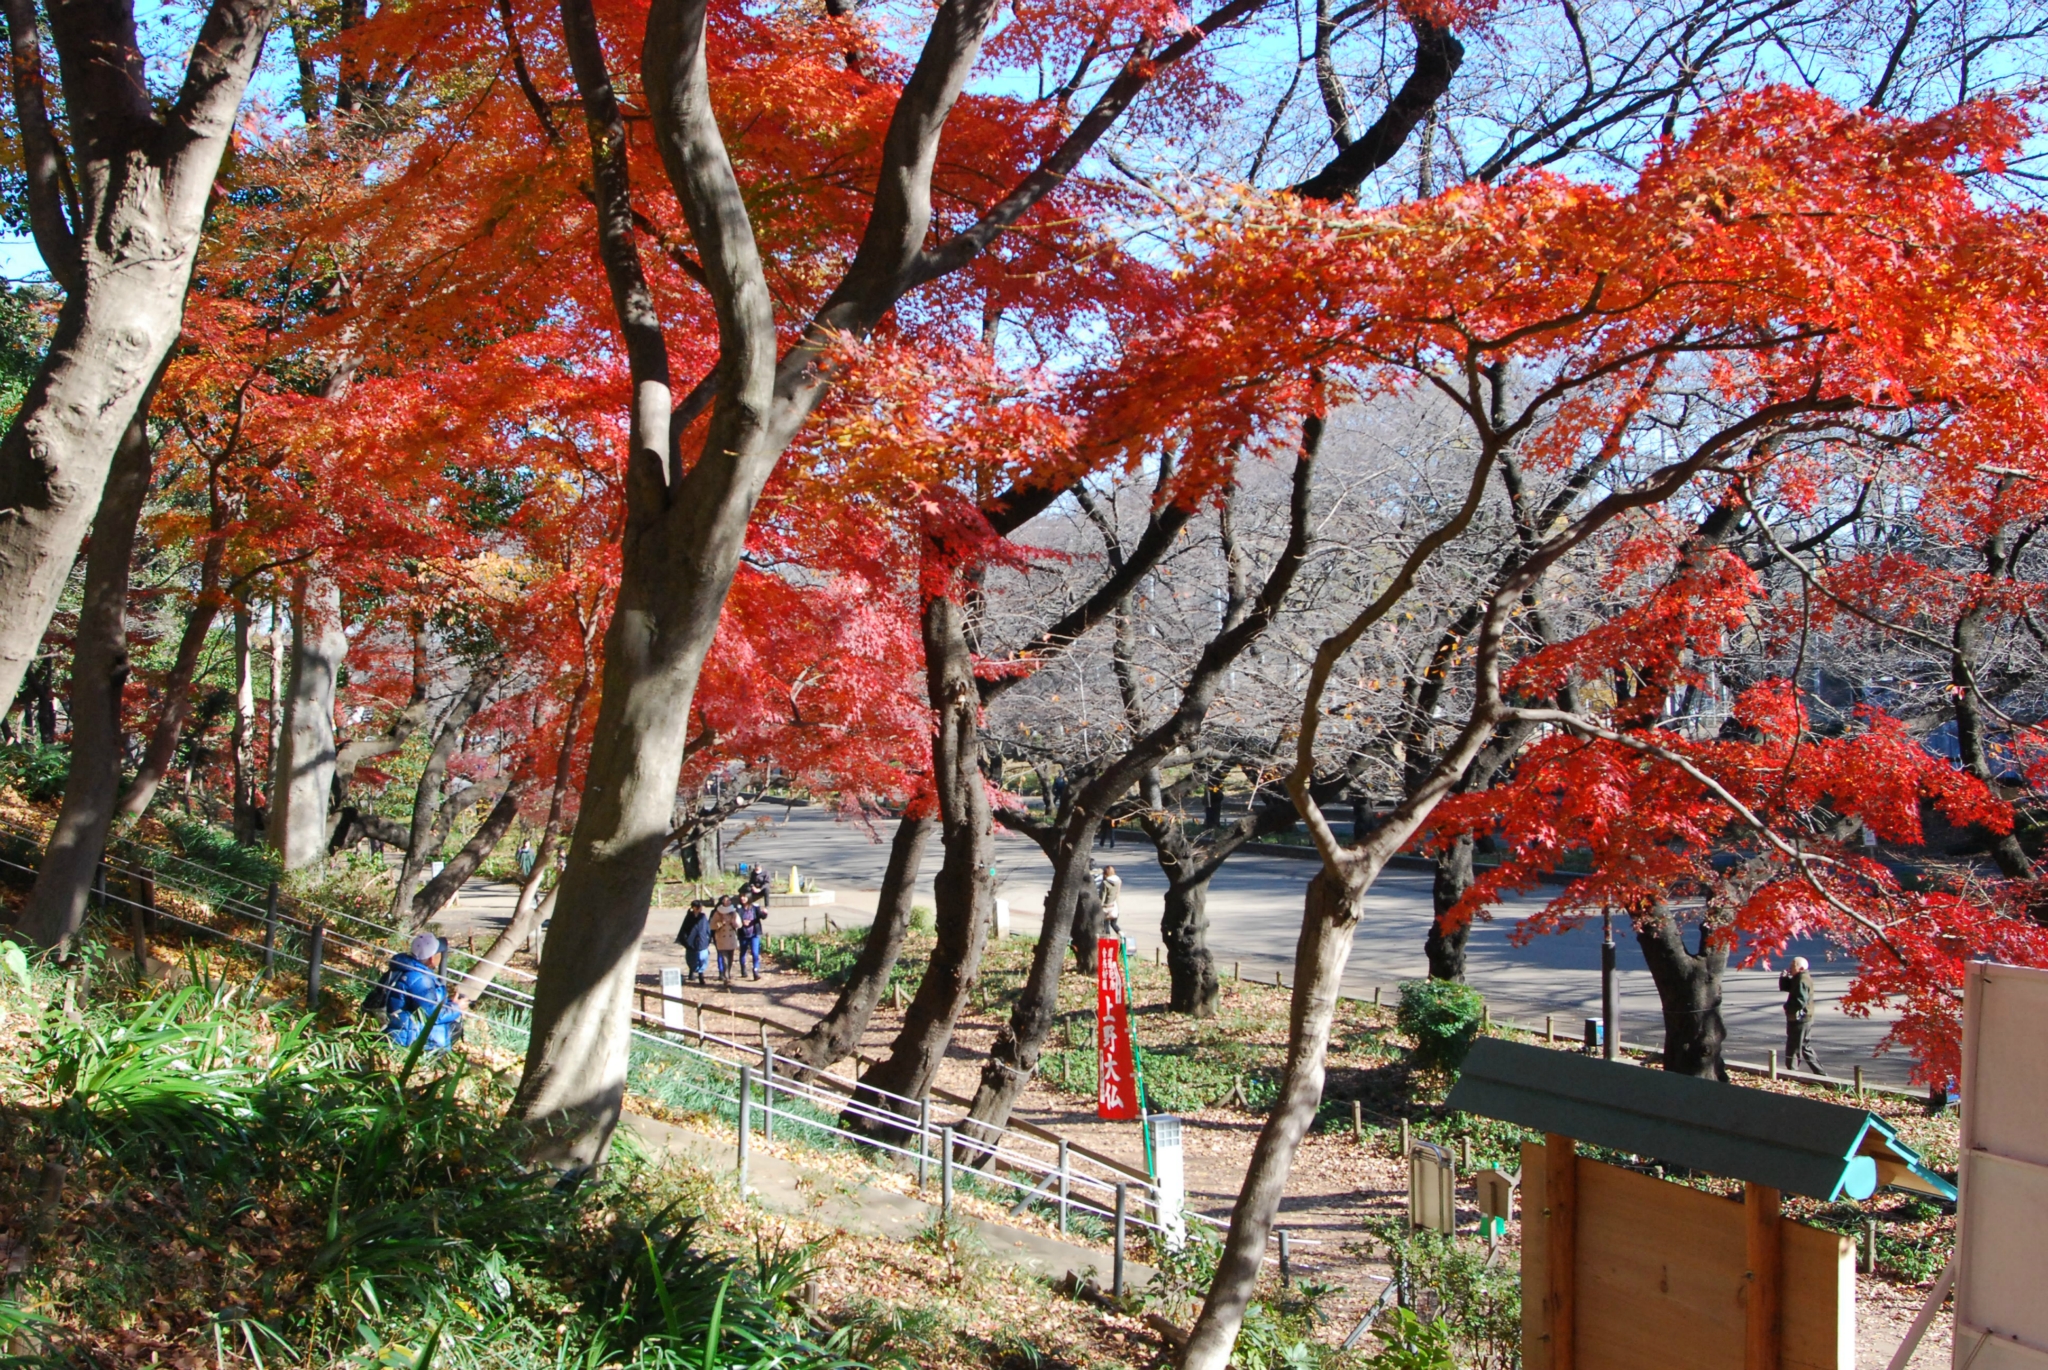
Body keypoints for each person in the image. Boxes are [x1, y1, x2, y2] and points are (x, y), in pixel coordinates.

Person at [368, 932, 463, 1051]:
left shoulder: (400, 969)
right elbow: (434, 1015)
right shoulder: (420, 979)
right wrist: (457, 1007)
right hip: (412, 1042)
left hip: (396, 1034)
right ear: (432, 958)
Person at [1779, 956, 1826, 1075]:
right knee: (1805, 1046)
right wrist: (1784, 978)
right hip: (1806, 1017)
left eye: (1792, 966)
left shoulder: (1801, 980)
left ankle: (1792, 1073)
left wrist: (1787, 1008)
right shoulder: (1800, 977)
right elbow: (1789, 987)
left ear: (1800, 968)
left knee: (1793, 1046)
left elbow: (1800, 1000)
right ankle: (1820, 1073)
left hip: (1800, 1018)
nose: (1790, 968)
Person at [676, 900, 712, 985]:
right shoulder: (689, 917)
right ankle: (691, 970)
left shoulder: (703, 916)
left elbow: (706, 928)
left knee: (703, 957)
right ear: (694, 908)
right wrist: (685, 940)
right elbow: (684, 929)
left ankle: (701, 974)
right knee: (691, 958)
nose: (700, 909)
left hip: (702, 940)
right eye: (698, 907)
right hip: (691, 941)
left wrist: (708, 938)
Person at [711, 897, 741, 983]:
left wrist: (734, 923)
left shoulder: (734, 912)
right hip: (721, 937)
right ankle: (725, 975)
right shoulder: (718, 912)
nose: (727, 902)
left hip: (731, 937)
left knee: (730, 957)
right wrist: (720, 923)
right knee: (724, 958)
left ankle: (728, 972)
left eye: (729, 900)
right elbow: (712, 925)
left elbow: (739, 924)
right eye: (725, 900)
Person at [736, 894, 765, 980]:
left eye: (744, 897)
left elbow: (761, 916)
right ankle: (743, 969)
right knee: (743, 952)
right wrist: (742, 922)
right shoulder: (738, 908)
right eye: (741, 897)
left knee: (755, 953)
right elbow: (735, 919)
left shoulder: (755, 907)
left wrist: (764, 913)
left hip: (754, 933)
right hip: (743, 934)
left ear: (748, 897)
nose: (742, 899)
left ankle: (755, 971)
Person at [1097, 864, 1122, 938]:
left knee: (1106, 924)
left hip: (1107, 907)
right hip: (1115, 906)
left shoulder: (1105, 883)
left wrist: (1099, 906)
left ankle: (1107, 939)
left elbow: (1103, 896)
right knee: (1114, 924)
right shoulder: (1118, 881)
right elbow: (1117, 893)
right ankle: (1121, 934)